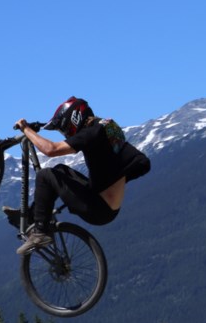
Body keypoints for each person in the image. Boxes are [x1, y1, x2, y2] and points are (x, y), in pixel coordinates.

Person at [9, 97, 150, 255]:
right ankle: (31, 216)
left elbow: (51, 149)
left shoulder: (92, 132)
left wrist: (26, 130)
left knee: (45, 175)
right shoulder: (106, 127)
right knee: (61, 170)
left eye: (65, 129)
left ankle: (41, 232)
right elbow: (141, 163)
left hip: (98, 208)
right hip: (102, 203)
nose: (66, 134)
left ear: (74, 119)